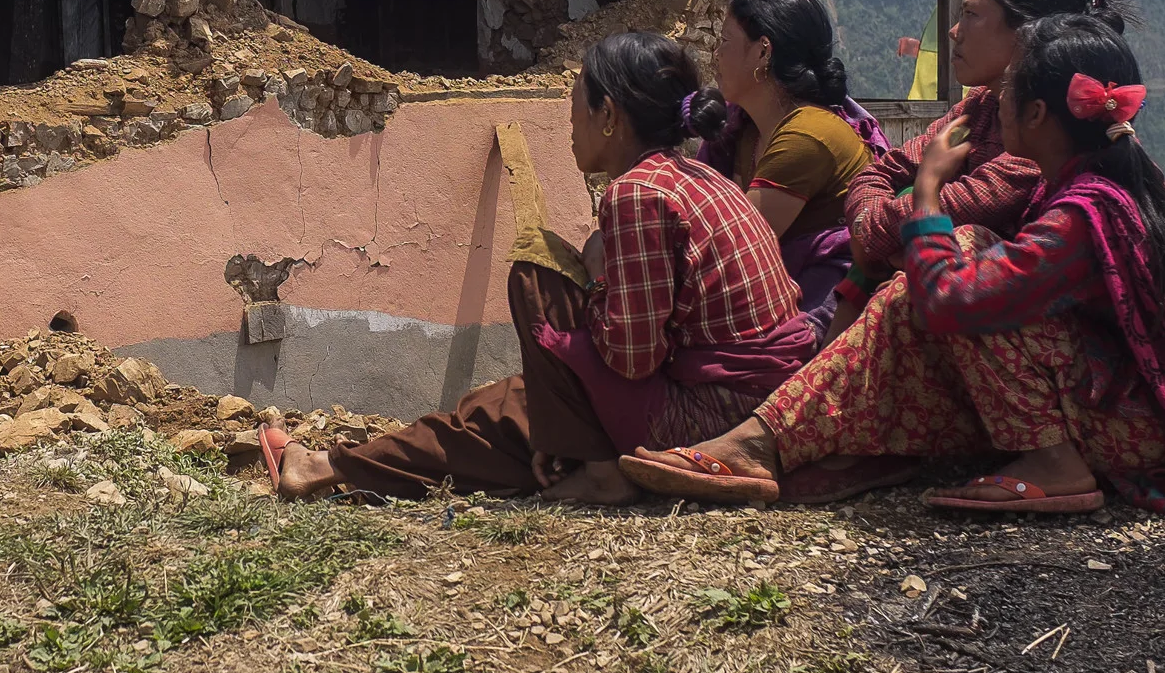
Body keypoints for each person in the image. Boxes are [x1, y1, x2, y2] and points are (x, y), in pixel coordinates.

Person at [618, 15, 1165, 533]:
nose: (994, 100)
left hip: (1149, 421)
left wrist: (927, 189)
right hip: (1117, 390)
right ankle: (779, 443)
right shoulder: (1090, 182)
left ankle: (1053, 462)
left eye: (1010, 90)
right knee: (959, 251)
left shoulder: (1082, 213)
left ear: (1038, 115)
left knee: (950, 261)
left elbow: (948, 303)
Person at [269, 30, 817, 505]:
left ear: (609, 116)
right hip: (761, 404)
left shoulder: (637, 193)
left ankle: (602, 474)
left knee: (537, 272)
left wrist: (596, 274)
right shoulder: (703, 179)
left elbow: (633, 359)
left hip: (710, 422)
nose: (570, 124)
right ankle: (324, 466)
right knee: (503, 411)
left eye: (576, 107)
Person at [844, 0, 1129, 295]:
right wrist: (874, 234)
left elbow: (936, 214)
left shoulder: (1041, 143)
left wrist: (872, 232)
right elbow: (880, 173)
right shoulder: (980, 107)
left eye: (970, 14)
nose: (954, 31)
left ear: (1026, 34)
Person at [699, 0, 883, 338]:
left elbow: (732, 250)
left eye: (724, 41)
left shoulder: (807, 135)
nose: (716, 54)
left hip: (820, 317)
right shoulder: (744, 132)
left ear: (762, 52)